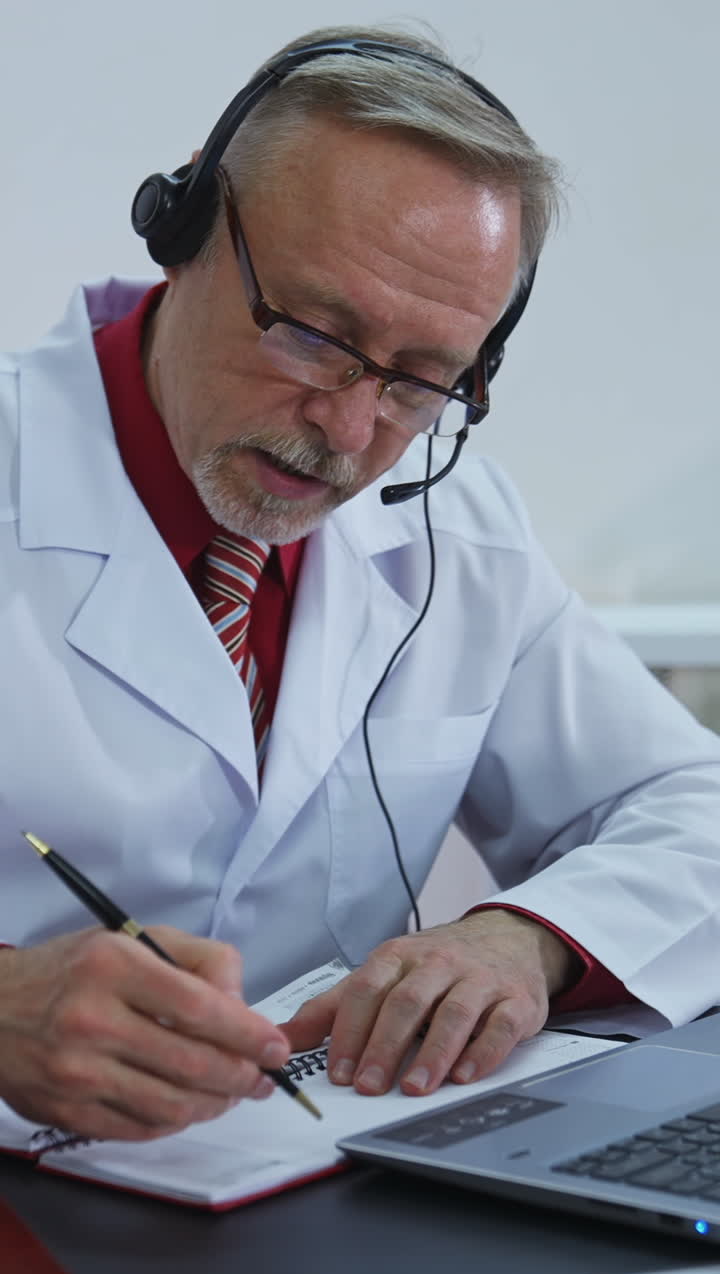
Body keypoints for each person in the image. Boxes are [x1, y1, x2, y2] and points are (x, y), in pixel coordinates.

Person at [1, 23, 719, 1145]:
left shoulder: (454, 533)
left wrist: (521, 936)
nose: (344, 428)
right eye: (309, 332)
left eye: (420, 381)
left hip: (316, 1164)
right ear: (180, 230)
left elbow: (695, 808)